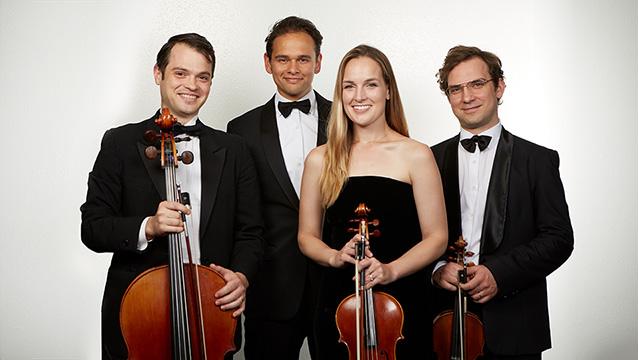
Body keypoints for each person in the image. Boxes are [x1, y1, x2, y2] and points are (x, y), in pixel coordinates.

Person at [80, 33, 263, 359]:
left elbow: (251, 232)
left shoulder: (234, 149)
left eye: (202, 77)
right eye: (180, 73)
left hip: (212, 311)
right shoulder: (119, 143)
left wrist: (242, 276)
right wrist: (148, 226)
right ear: (158, 74)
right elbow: (93, 227)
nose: (192, 85)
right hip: (138, 313)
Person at [298, 44, 448, 359]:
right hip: (339, 305)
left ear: (388, 90)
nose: (359, 95)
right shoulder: (320, 158)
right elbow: (306, 236)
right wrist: (335, 257)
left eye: (371, 84)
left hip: (403, 304)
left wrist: (391, 271)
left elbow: (437, 238)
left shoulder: (416, 154)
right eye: (349, 86)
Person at [430, 45, 574, 359]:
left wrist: (499, 273)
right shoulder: (427, 159)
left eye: (477, 84)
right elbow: (413, 233)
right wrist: (437, 269)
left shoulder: (537, 160)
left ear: (499, 86)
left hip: (515, 324)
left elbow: (559, 238)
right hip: (442, 323)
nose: (466, 97)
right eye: (456, 89)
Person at [226, 16, 330, 360]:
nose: (293, 68)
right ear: (267, 63)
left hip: (338, 283)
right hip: (271, 286)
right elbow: (238, 214)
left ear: (318, 61)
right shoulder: (240, 129)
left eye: (303, 59)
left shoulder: (347, 118)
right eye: (283, 59)